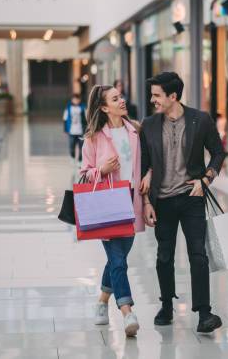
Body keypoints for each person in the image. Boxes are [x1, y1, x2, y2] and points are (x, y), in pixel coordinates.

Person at [140, 71, 226, 333]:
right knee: (164, 256)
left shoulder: (200, 120)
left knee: (198, 255)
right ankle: (166, 305)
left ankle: (204, 314)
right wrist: (146, 202)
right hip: (162, 200)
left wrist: (206, 180)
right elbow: (144, 166)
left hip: (192, 198)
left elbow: (218, 152)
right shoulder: (149, 124)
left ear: (172, 96)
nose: (152, 99)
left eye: (157, 95)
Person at [80, 85, 150, 337]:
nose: (122, 101)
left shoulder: (135, 131)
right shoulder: (94, 137)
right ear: (103, 107)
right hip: (107, 203)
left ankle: (101, 301)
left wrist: (149, 182)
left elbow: (146, 165)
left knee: (116, 260)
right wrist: (102, 169)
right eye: (115, 98)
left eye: (121, 97)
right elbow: (85, 175)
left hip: (132, 202)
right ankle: (127, 311)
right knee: (119, 260)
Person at [63, 94, 87, 162]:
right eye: (74, 99)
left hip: (81, 131)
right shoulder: (69, 108)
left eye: (77, 99)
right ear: (72, 100)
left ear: (79, 100)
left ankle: (80, 160)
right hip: (72, 131)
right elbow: (65, 118)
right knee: (72, 146)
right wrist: (65, 129)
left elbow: (86, 118)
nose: (76, 100)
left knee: (81, 147)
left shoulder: (83, 107)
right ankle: (72, 157)